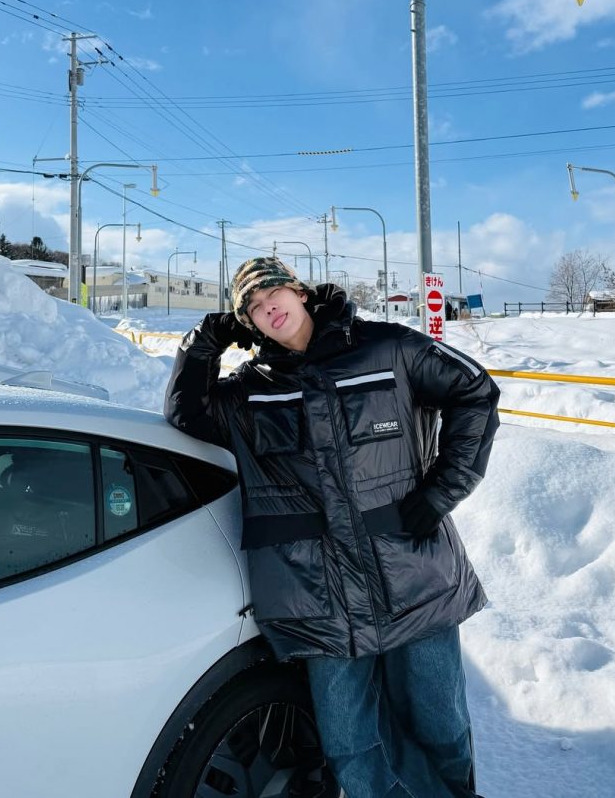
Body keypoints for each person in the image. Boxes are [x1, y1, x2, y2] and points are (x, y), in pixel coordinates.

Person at [165, 256, 499, 798]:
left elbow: (475, 392)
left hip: (414, 581)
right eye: (250, 305)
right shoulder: (250, 392)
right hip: (316, 602)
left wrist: (442, 489)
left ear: (298, 291)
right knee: (350, 746)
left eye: (272, 292)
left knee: (440, 730)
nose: (266, 305)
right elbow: (186, 415)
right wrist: (206, 340)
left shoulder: (388, 348)